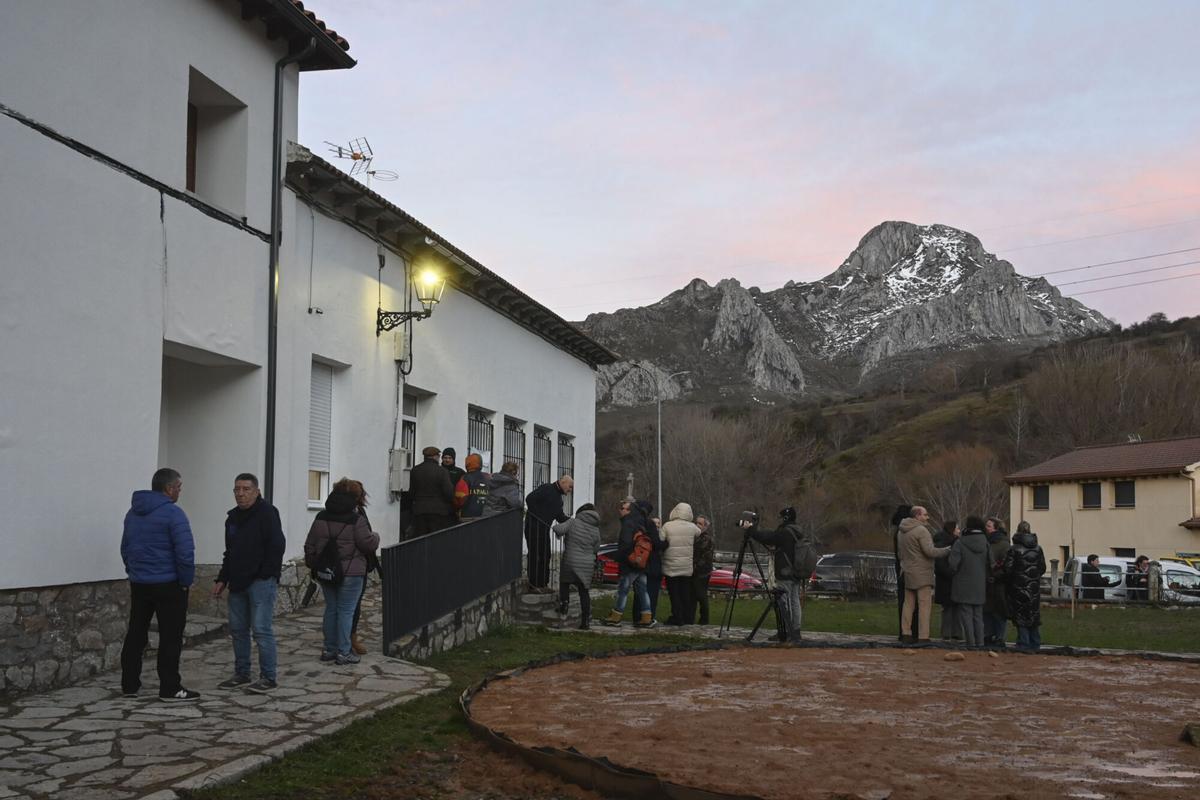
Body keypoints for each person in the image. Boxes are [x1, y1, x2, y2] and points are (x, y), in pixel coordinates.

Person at [119, 468, 199, 702]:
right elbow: (185, 553)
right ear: (169, 488)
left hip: (140, 583)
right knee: (170, 637)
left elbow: (125, 548)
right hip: (168, 584)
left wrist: (133, 571)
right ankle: (170, 688)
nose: (180, 492)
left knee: (136, 633)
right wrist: (185, 582)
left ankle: (129, 684)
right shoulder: (174, 514)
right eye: (179, 488)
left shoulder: (132, 514)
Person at [211, 473, 285, 693]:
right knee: (238, 630)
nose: (241, 494)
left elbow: (277, 546)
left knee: (261, 629)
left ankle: (268, 677)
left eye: (246, 489)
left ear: (257, 491)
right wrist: (222, 579)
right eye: (237, 489)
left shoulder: (267, 514)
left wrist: (265, 574)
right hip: (237, 582)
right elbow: (230, 552)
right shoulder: (232, 518)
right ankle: (242, 673)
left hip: (260, 582)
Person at [304, 483, 380, 665]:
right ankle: (344, 651)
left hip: (326, 571)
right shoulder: (356, 519)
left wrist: (314, 563)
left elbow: (310, 544)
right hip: (351, 572)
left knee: (331, 609)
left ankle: (329, 649)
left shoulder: (320, 517)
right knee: (346, 611)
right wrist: (376, 536)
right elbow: (367, 544)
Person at [744, 507, 812, 643]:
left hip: (785, 571)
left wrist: (751, 530)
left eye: (781, 517)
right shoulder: (798, 531)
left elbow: (768, 537)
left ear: (786, 518)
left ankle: (786, 633)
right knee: (794, 602)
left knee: (784, 602)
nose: (780, 520)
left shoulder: (785, 532)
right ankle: (795, 631)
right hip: (796, 572)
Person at [896, 506, 951, 643]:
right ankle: (923, 636)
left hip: (907, 571)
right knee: (924, 606)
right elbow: (930, 552)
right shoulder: (921, 530)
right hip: (922, 573)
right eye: (925, 515)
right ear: (917, 516)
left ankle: (906, 633)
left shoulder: (901, 531)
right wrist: (949, 549)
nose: (927, 517)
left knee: (908, 605)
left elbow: (900, 554)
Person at [339, 478, 377, 656]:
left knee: (338, 608)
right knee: (350, 608)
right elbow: (366, 541)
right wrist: (375, 537)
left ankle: (336, 642)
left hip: (341, 565)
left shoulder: (331, 512)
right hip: (353, 566)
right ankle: (347, 643)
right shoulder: (355, 514)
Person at [603, 499, 653, 627]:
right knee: (643, 590)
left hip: (630, 563)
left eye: (623, 508)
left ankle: (616, 617)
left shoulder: (628, 523)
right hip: (641, 563)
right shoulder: (641, 523)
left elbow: (625, 545)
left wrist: (620, 557)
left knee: (623, 590)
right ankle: (647, 617)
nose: (620, 510)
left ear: (630, 511)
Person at [554, 503, 601, 629]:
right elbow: (596, 548)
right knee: (583, 592)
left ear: (580, 512)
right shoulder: (596, 529)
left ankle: (563, 610)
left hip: (570, 561)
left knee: (565, 583)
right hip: (587, 564)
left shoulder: (573, 522)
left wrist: (558, 531)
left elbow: (558, 529)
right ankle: (585, 622)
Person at [525, 475, 573, 592]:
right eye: (570, 487)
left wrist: (573, 521)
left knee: (546, 556)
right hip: (533, 527)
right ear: (563, 482)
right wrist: (539, 516)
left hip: (544, 530)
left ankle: (543, 584)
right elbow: (529, 499)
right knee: (534, 555)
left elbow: (560, 517)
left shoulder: (559, 500)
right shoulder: (547, 488)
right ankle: (533, 584)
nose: (570, 490)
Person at [1003, 521, 1046, 651]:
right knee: (1033, 614)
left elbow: (1008, 569)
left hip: (1018, 586)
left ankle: (1023, 643)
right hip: (1033, 588)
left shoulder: (1014, 549)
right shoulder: (1038, 548)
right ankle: (1035, 642)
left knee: (1021, 614)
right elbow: (1042, 568)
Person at [949, 516, 990, 647]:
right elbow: (991, 563)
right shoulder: (986, 543)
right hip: (980, 584)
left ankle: (970, 643)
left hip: (963, 583)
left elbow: (953, 564)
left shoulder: (960, 542)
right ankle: (980, 643)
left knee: (966, 615)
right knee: (978, 615)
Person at [661, 503, 700, 625]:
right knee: (685, 593)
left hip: (671, 565)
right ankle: (686, 617)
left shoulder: (667, 526)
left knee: (674, 593)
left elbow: (661, 540)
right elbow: (699, 533)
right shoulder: (692, 527)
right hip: (686, 566)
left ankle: (676, 617)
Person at [410, 446, 456, 535]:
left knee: (420, 539)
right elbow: (449, 493)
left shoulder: (415, 470)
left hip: (419, 511)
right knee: (436, 540)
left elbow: (411, 492)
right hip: (438, 512)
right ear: (435, 457)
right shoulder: (442, 471)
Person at [890, 504, 919, 640]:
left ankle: (904, 631)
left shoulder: (898, 531)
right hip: (909, 567)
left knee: (904, 600)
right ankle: (912, 630)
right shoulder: (907, 531)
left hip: (900, 566)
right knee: (911, 601)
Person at [983, 517, 1011, 647]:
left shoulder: (1003, 544)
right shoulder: (985, 542)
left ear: (995, 528)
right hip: (986, 582)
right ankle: (987, 635)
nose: (986, 528)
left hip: (999, 583)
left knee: (999, 612)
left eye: (989, 526)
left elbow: (1006, 564)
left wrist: (996, 575)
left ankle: (1000, 637)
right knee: (987, 611)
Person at [638, 501, 667, 620]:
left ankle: (639, 616)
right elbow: (657, 544)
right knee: (650, 593)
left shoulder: (636, 523)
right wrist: (666, 543)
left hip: (640, 563)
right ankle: (648, 617)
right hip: (652, 565)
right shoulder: (650, 527)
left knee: (640, 592)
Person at [933, 520, 961, 640]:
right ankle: (949, 633)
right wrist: (952, 573)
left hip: (946, 580)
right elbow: (940, 564)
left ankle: (953, 632)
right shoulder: (945, 543)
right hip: (947, 580)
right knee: (949, 608)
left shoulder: (944, 541)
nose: (959, 531)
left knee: (952, 608)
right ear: (952, 529)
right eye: (957, 528)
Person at [691, 514, 716, 624]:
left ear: (705, 526)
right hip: (695, 571)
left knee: (701, 596)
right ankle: (691, 618)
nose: (697, 525)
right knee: (692, 596)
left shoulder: (706, 539)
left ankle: (704, 620)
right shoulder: (695, 537)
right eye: (696, 523)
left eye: (700, 524)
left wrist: (695, 567)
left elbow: (705, 557)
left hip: (702, 572)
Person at [455, 454, 490, 519]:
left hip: (468, 516)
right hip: (485, 516)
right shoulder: (487, 478)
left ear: (467, 464)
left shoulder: (465, 478)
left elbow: (460, 498)